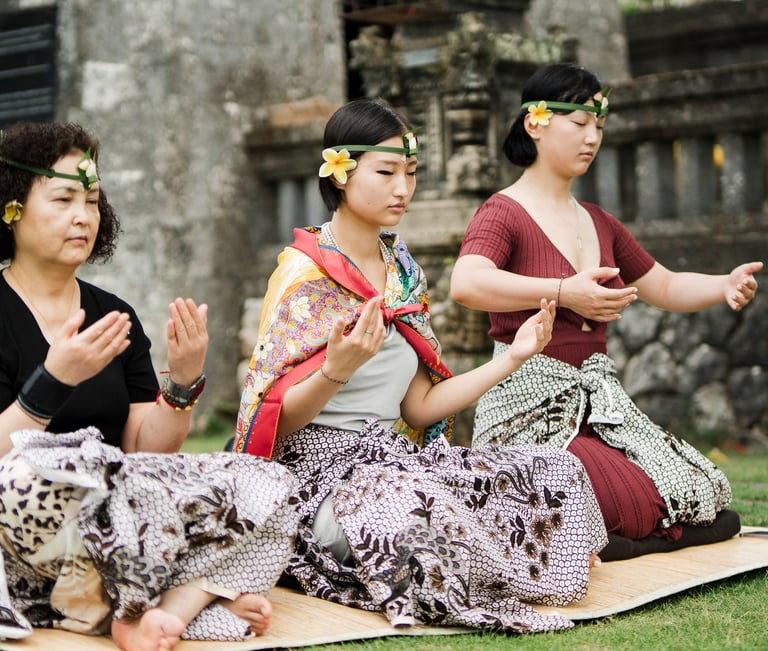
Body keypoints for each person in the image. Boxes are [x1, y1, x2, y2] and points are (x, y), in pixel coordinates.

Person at [234, 99, 608, 634]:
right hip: (322, 479)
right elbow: (271, 420)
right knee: (409, 509)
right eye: (385, 172)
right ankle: (513, 565)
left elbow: (419, 405)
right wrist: (336, 370)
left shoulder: (402, 271)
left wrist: (516, 355)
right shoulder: (304, 273)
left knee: (553, 471)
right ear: (341, 174)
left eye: (410, 173)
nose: (402, 189)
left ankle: (507, 562)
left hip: (398, 459)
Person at [0, 122, 299, 649]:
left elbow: (144, 449)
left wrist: (181, 384)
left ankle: (154, 604)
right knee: (31, 471)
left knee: (266, 484)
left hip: (125, 517)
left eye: (92, 201)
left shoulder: (115, 314)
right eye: (64, 198)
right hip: (30, 526)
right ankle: (176, 594)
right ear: (12, 208)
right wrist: (54, 380)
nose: (82, 216)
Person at [450, 63, 763, 561]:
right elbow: (466, 283)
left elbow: (663, 283)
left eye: (599, 124)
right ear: (535, 123)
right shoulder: (502, 211)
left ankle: (605, 543)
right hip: (529, 407)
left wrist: (722, 284)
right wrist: (562, 292)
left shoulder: (599, 220)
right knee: (631, 502)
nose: (592, 137)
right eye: (579, 123)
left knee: (706, 492)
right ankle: (608, 537)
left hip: (602, 404)